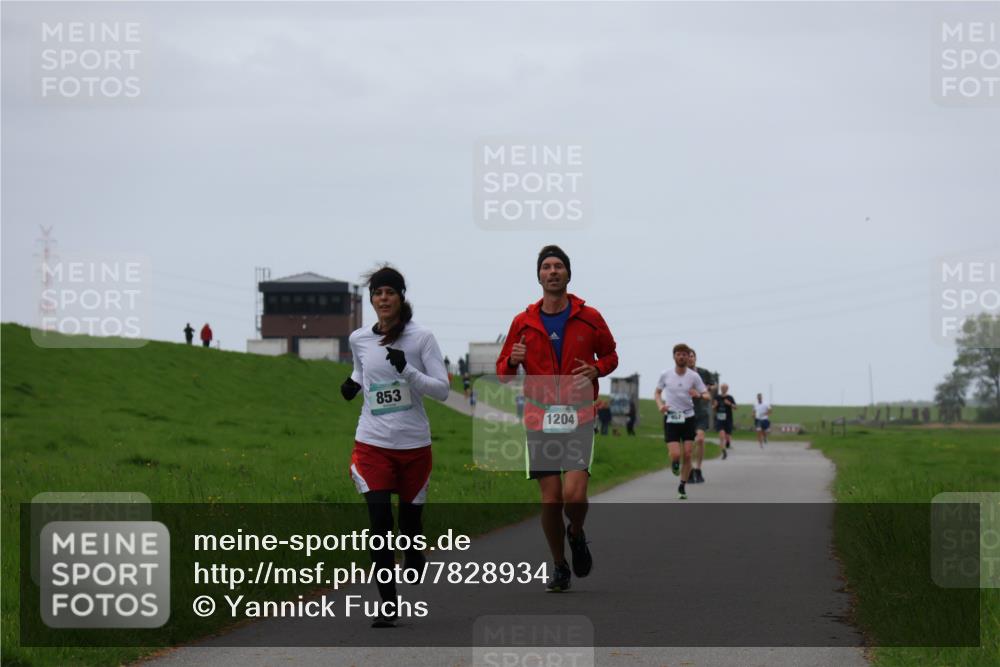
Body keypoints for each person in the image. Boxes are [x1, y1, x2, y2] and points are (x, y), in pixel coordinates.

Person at [496, 245, 618, 592]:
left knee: (574, 496)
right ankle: (560, 564)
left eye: (558, 267)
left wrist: (596, 368)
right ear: (539, 276)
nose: (552, 272)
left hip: (579, 415)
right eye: (546, 267)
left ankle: (576, 533)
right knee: (551, 500)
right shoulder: (523, 322)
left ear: (568, 274)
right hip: (540, 418)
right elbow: (503, 374)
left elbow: (611, 355)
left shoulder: (589, 316)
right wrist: (512, 361)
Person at [339, 265, 449, 628]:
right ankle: (388, 605)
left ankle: (415, 548)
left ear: (401, 297)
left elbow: (442, 389)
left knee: (409, 523)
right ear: (372, 299)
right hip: (373, 442)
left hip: (414, 444)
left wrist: (409, 372)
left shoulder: (422, 339)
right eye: (378, 293)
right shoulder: (359, 339)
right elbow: (362, 370)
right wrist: (352, 384)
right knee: (380, 522)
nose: (383, 298)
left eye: (390, 292)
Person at [655, 343, 711, 500]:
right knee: (675, 454)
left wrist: (698, 395)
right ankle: (674, 463)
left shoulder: (694, 377)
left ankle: (682, 486)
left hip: (688, 418)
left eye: (684, 354)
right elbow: (657, 393)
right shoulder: (665, 374)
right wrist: (660, 405)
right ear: (674, 356)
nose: (681, 357)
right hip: (672, 417)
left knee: (687, 454)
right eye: (678, 354)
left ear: (688, 357)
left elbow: (707, 395)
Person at [686, 349, 717, 483]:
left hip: (702, 410)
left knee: (700, 439)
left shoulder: (704, 372)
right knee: (688, 444)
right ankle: (691, 470)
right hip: (686, 411)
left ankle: (698, 469)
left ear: (695, 358)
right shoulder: (681, 374)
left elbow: (714, 384)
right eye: (688, 357)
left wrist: (708, 388)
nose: (690, 359)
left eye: (692, 356)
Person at [713, 384, 736, 459]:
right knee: (722, 435)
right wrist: (715, 406)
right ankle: (723, 451)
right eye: (722, 388)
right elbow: (713, 408)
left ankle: (728, 443)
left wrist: (729, 404)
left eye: (725, 388)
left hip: (728, 419)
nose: (723, 389)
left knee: (727, 436)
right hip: (719, 418)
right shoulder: (717, 397)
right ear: (720, 388)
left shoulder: (730, 397)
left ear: (727, 389)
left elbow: (735, 407)